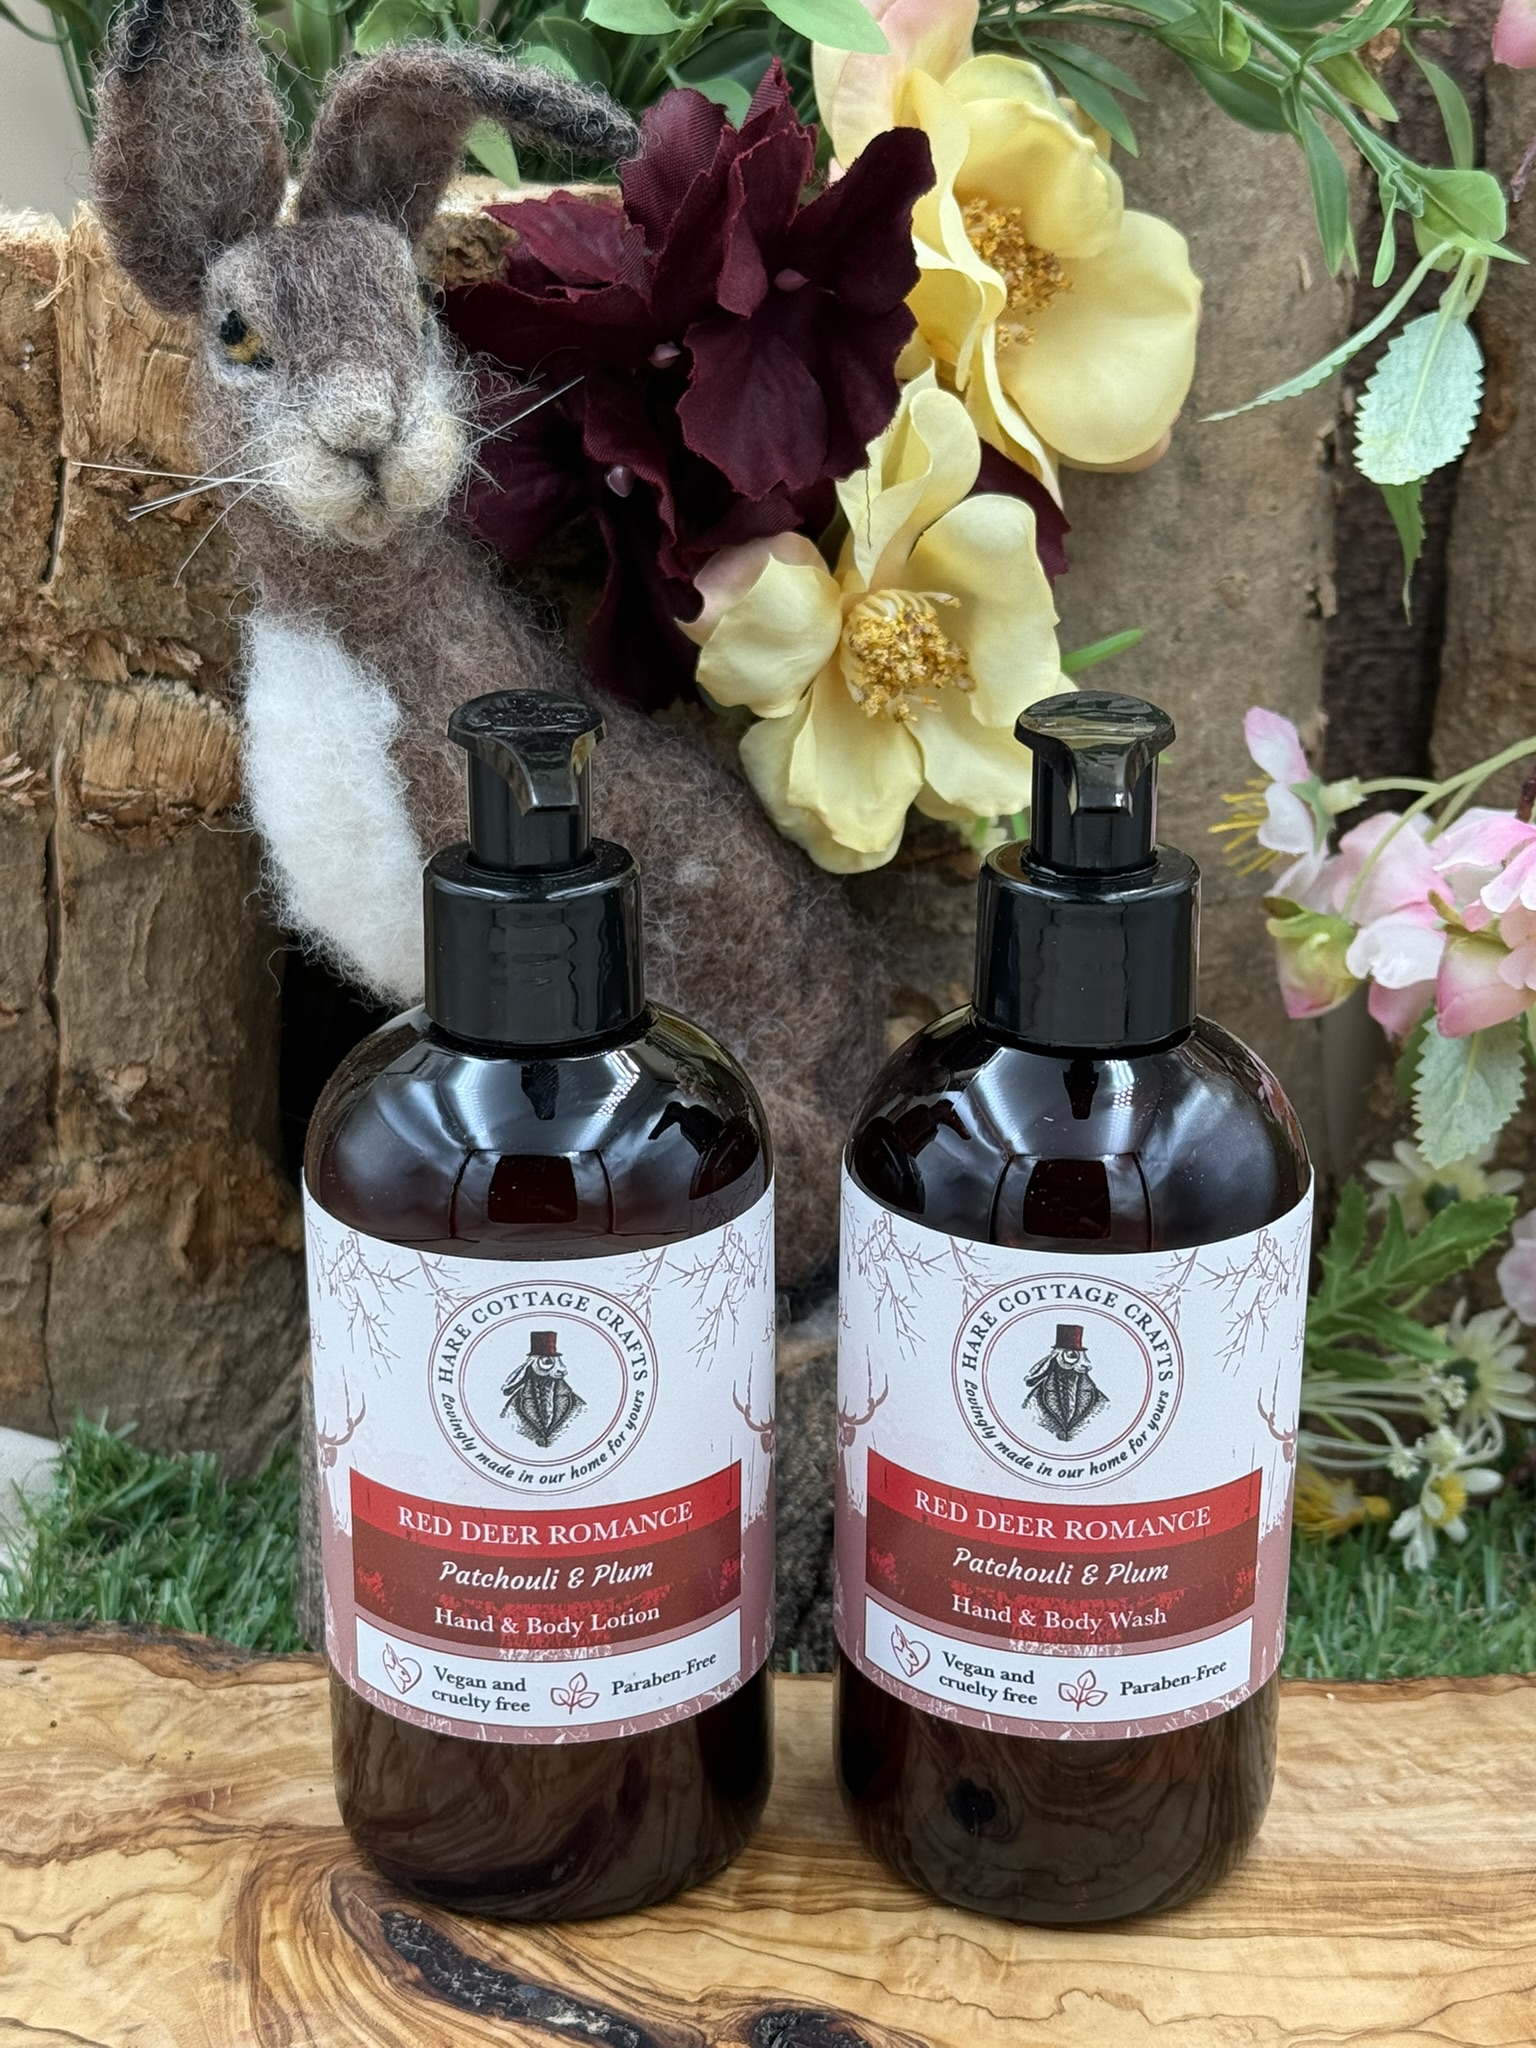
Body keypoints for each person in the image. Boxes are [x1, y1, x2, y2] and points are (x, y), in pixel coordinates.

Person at [1020, 1323, 1109, 1444]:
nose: (1084, 1364)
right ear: (1058, 1358)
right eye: (1071, 1355)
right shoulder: (1037, 1397)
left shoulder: (1098, 1399)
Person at [501, 1329, 586, 1448]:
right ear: (533, 1365)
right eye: (547, 1362)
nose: (562, 1369)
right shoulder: (516, 1405)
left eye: (558, 1362)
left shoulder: (576, 1404)